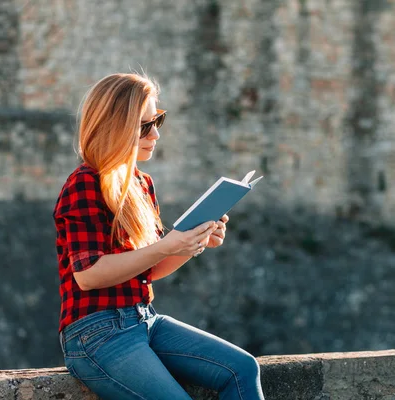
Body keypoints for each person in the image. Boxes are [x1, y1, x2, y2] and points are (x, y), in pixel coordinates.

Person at [53, 72, 265, 399]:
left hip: (144, 319)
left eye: (158, 121)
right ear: (114, 126)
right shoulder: (84, 183)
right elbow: (89, 275)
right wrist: (169, 245)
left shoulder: (142, 184)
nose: (155, 134)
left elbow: (148, 271)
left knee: (243, 369)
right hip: (94, 334)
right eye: (144, 125)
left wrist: (192, 244)